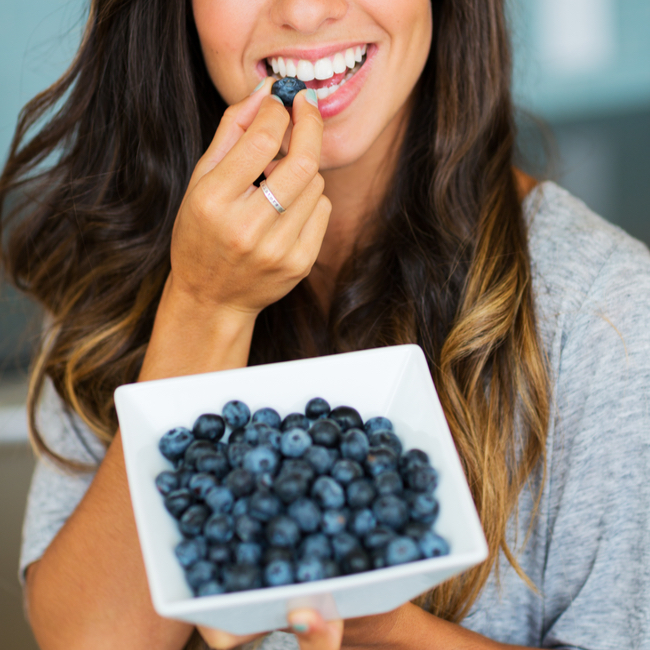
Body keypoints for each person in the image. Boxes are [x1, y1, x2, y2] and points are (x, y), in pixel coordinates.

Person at [1, 0, 649, 649]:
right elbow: (91, 640)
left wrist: (381, 625)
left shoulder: (604, 312)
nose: (307, 13)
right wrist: (204, 305)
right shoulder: (129, 250)